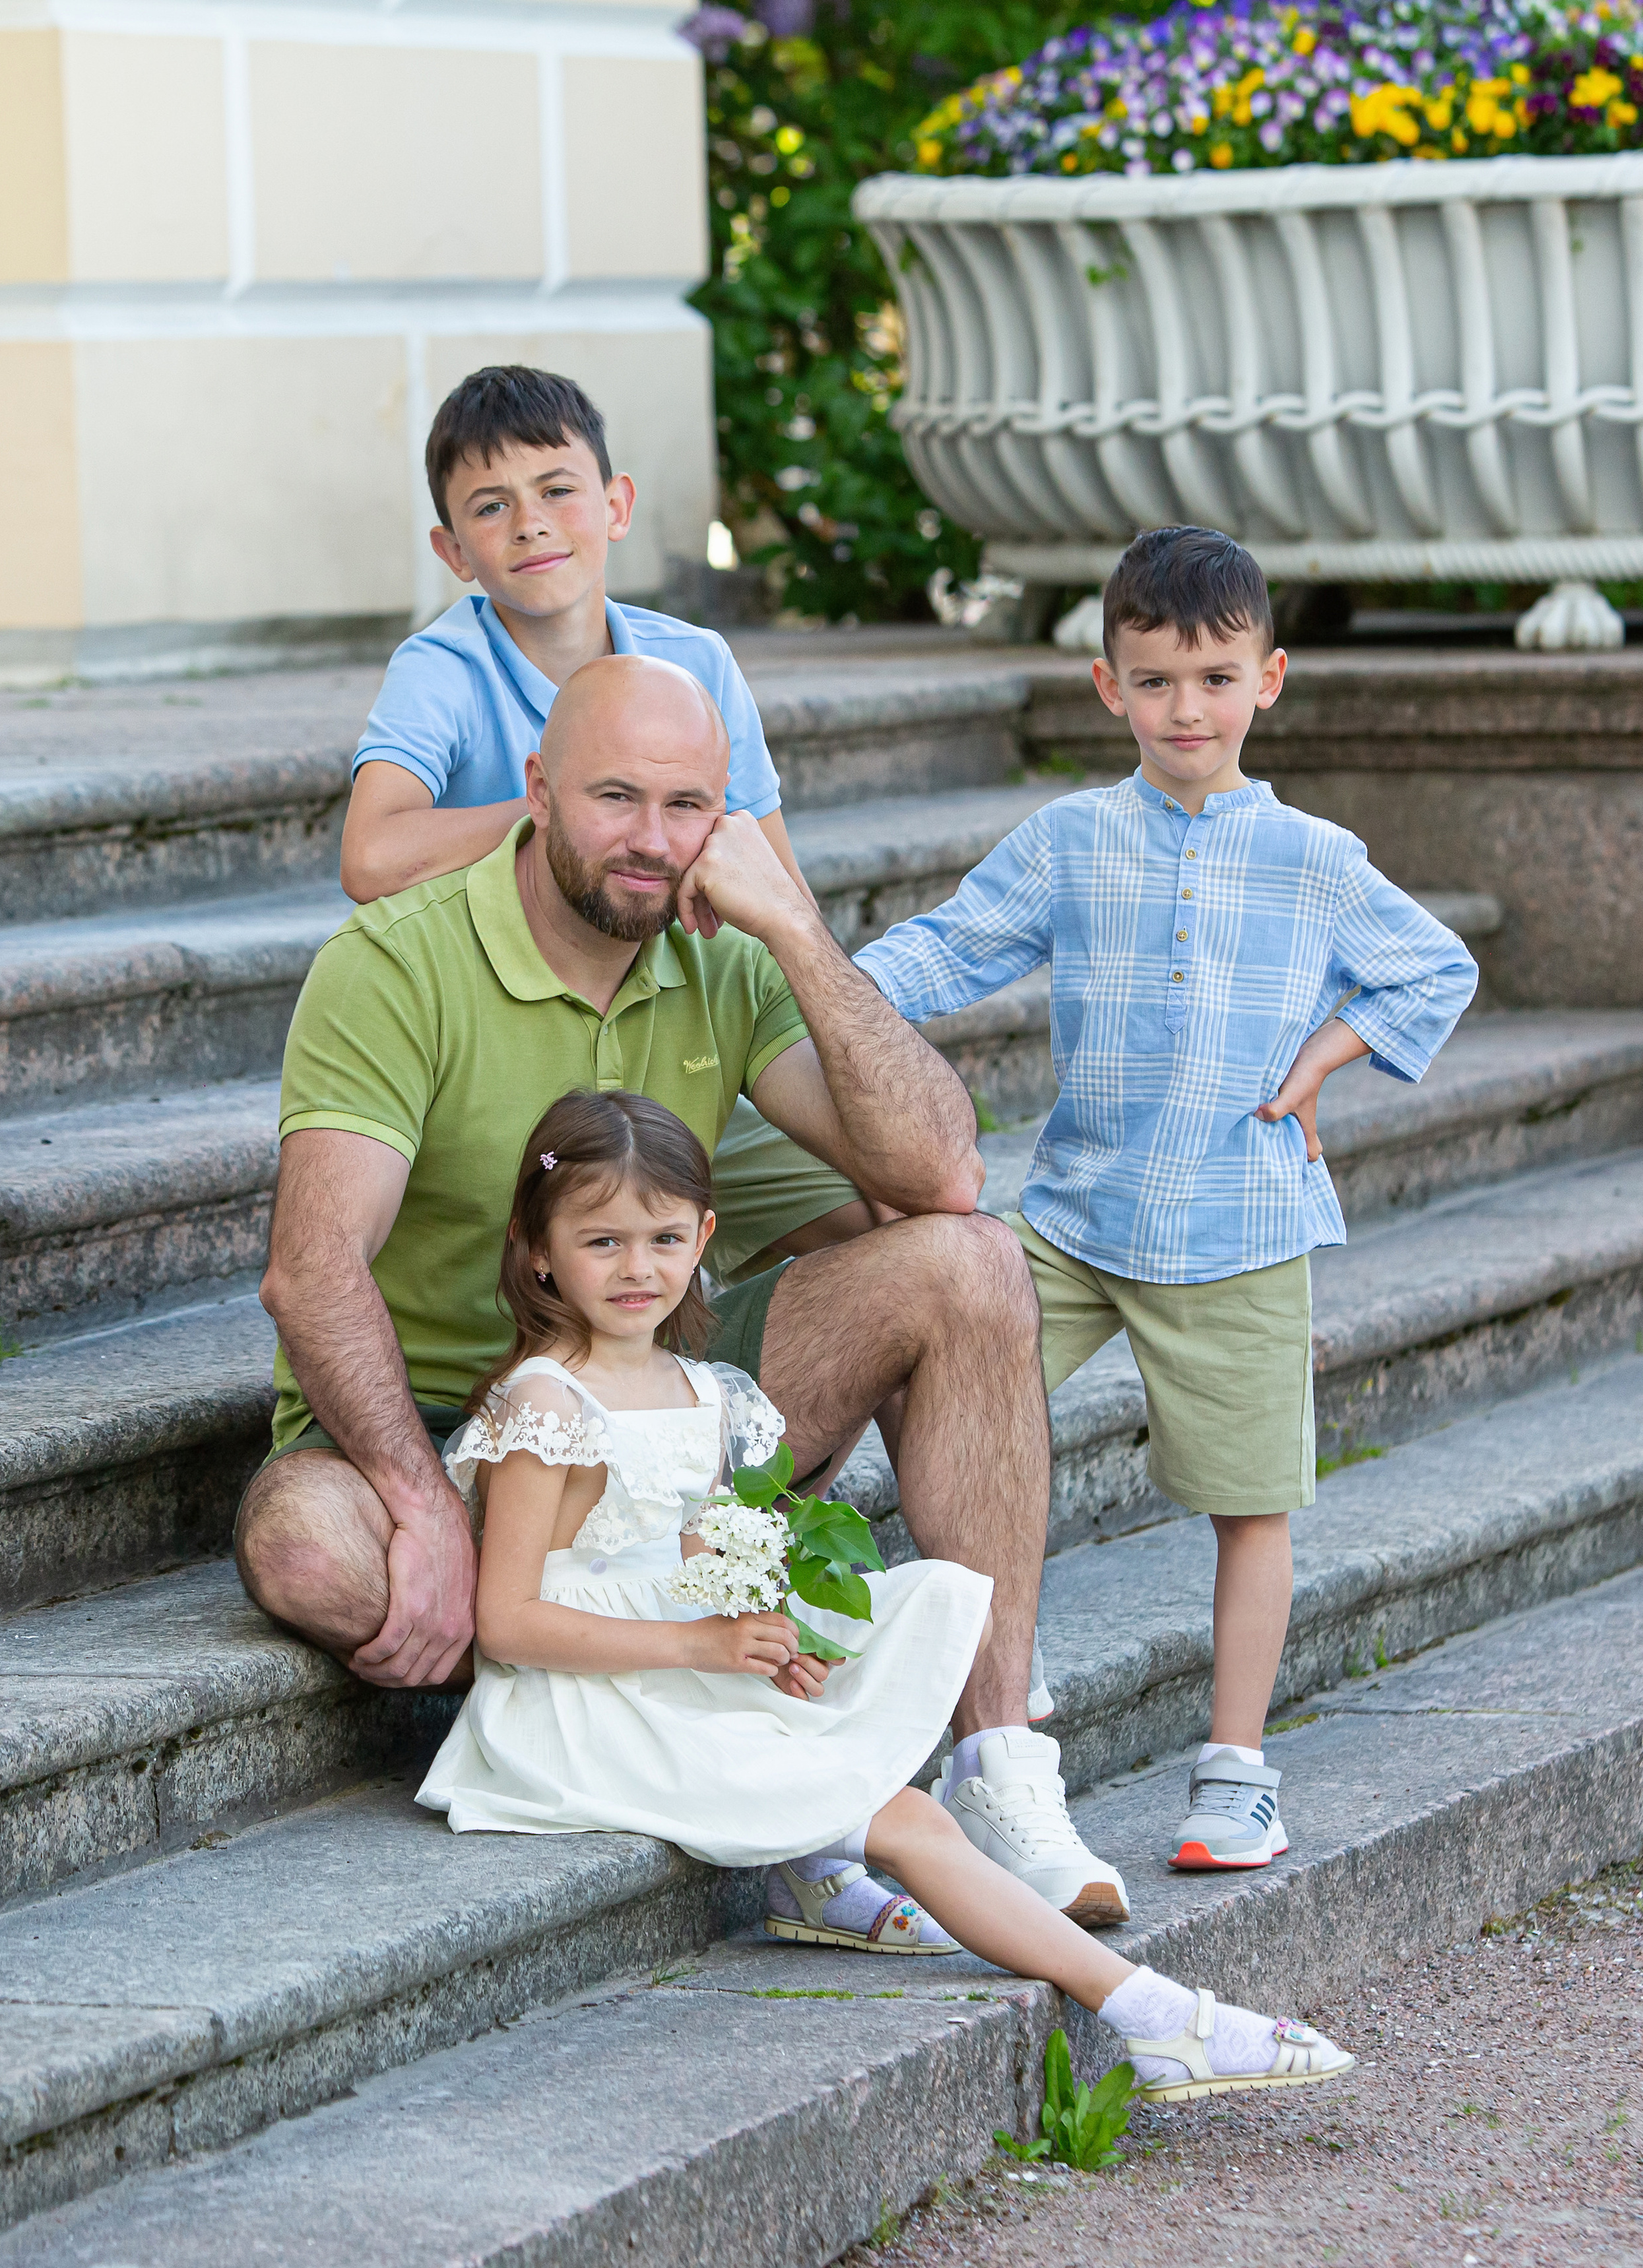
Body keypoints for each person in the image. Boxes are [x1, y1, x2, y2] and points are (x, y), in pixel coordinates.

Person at [237, 650, 1129, 1924]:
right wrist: (423, 1501)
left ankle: (999, 1766)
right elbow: (310, 1267)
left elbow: (940, 1167)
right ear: (537, 789)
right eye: (616, 798)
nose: (653, 841)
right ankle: (653, 1671)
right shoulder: (394, 963)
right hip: (432, 1422)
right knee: (304, 1548)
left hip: (650, 1407)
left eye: (689, 806)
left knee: (972, 1262)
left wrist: (798, 929)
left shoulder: (723, 952)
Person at [418, 1086, 1356, 2103]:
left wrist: (761, 1636)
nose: (636, 1267)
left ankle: (1099, 1987)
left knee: (895, 1644)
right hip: (575, 1710)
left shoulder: (702, 1389)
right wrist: (703, 1649)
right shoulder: (546, 1404)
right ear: (539, 1249)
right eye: (601, 1241)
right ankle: (1156, 2016)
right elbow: (506, 1622)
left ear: (705, 1237)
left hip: (667, 1670)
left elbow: (688, 1568)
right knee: (910, 1819)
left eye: (662, 1237)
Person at [856, 526, 1479, 1876]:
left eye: (1211, 678)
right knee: (944, 1412)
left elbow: (1430, 972)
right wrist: (807, 976)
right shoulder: (1070, 840)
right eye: (1153, 682)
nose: (1182, 709)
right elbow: (944, 949)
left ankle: (1234, 1767)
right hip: (1075, 1217)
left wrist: (1321, 1059)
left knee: (1249, 1501)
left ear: (1267, 680)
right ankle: (983, 1708)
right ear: (1105, 687)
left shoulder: (1314, 856)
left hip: (1241, 1226)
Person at [338, 361, 860, 1290]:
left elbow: (781, 890)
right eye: (490, 507)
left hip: (678, 1024)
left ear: (615, 505)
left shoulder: (694, 661)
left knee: (889, 1210)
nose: (530, 522)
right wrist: (575, 810)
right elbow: (372, 853)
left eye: (557, 490)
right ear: (453, 550)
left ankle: (780, 1437)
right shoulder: (443, 669)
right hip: (522, 1045)